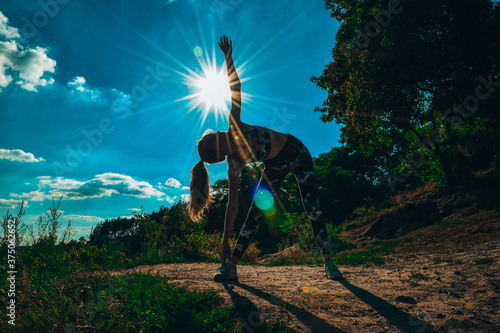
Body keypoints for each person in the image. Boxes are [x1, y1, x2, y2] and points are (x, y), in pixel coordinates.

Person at [188, 35, 343, 282]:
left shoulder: (234, 124)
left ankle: (328, 262)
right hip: (275, 165)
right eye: (214, 134)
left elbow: (235, 88)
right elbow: (233, 206)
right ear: (218, 146)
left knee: (311, 207)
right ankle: (232, 266)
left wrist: (228, 58)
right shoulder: (233, 165)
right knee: (255, 212)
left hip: (297, 151)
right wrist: (224, 243)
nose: (217, 130)